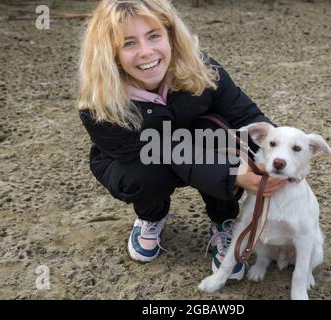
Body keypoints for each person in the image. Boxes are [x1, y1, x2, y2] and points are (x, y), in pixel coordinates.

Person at [77, 0, 286, 280]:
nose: (146, 52)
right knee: (142, 173)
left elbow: (244, 114)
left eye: (154, 36)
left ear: (171, 36)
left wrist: (279, 155)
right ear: (110, 54)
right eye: (128, 43)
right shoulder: (97, 103)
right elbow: (161, 148)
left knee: (219, 132)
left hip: (199, 144)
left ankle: (223, 218)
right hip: (143, 159)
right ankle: (151, 214)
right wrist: (232, 173)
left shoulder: (202, 68)